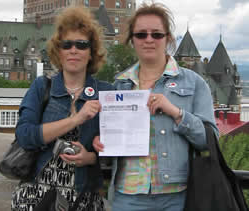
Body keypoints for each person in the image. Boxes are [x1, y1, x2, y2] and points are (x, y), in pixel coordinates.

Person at [93, 2, 218, 211]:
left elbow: (210, 140)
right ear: (132, 40)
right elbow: (110, 139)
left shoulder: (194, 83)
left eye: (156, 34)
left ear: (168, 38)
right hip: (128, 194)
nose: (149, 39)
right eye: (141, 34)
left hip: (177, 194)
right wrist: (102, 142)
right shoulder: (119, 84)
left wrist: (177, 113)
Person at [11, 6, 114, 211]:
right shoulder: (42, 87)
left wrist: (91, 157)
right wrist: (75, 119)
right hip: (37, 198)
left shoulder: (106, 92)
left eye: (81, 45)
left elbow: (117, 149)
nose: (73, 50)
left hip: (84, 199)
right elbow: (25, 135)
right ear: (58, 51)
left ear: (91, 52)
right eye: (67, 44)